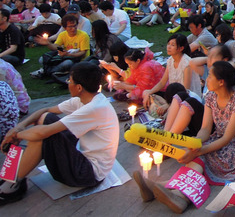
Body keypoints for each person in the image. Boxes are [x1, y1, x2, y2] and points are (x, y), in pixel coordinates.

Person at [133, 61, 235, 214]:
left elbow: (227, 138)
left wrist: (200, 151)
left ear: (221, 82)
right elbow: (205, 129)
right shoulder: (211, 96)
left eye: (209, 76)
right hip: (218, 138)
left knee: (203, 157)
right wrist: (194, 144)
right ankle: (173, 192)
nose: (206, 79)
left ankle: (174, 192)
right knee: (197, 156)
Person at [0, 63, 118, 205]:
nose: (68, 83)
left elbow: (43, 132)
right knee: (46, 119)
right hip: (81, 154)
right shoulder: (85, 99)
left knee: (44, 134)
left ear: (79, 87)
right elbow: (46, 110)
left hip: (87, 173)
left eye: (70, 81)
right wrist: (19, 127)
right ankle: (15, 177)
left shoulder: (94, 108)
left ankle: (12, 185)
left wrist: (16, 136)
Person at [141, 34, 192, 110]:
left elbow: (186, 91)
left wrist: (169, 104)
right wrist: (150, 92)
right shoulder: (170, 60)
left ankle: (166, 109)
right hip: (172, 96)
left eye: (173, 45)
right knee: (146, 93)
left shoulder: (187, 63)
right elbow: (162, 82)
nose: (169, 47)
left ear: (181, 48)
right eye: (168, 44)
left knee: (164, 109)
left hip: (185, 99)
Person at [32, 14, 91, 79]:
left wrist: (69, 54)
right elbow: (55, 47)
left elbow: (83, 53)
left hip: (77, 59)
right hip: (64, 56)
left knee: (67, 64)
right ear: (65, 28)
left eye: (75, 26)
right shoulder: (63, 35)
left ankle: (46, 71)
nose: (73, 29)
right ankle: (54, 72)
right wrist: (48, 43)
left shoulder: (83, 35)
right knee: (42, 59)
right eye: (70, 27)